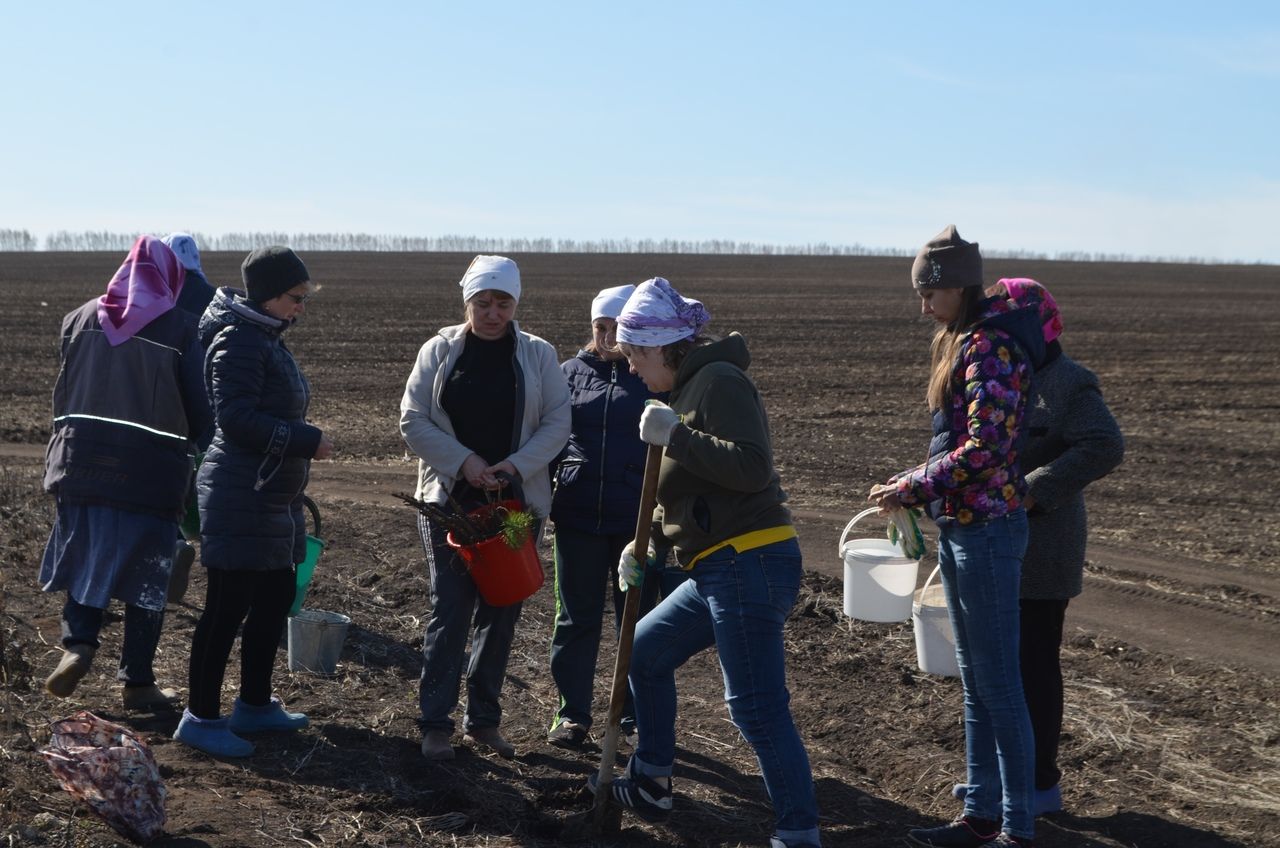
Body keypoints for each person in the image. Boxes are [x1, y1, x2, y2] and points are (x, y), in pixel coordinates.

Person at [590, 277, 821, 848]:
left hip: (750, 560)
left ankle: (798, 833)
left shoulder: (718, 380)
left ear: (657, 348)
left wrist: (678, 437)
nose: (634, 373)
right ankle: (651, 779)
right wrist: (645, 548)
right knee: (643, 651)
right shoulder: (684, 391)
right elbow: (695, 499)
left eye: (635, 360)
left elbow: (751, 469)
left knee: (755, 708)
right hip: (717, 565)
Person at [869, 226, 1043, 848]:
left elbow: (985, 447)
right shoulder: (964, 341)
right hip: (965, 525)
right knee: (975, 679)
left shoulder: (991, 346)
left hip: (990, 530)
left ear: (955, 285)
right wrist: (915, 482)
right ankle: (979, 813)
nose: (922, 305)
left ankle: (1017, 827)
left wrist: (913, 486)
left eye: (928, 291)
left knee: (997, 682)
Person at [948, 278, 1123, 817]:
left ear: (1039, 325)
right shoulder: (1005, 371)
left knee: (1031, 664)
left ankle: (1041, 785)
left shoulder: (1068, 383)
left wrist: (1034, 489)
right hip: (995, 540)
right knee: (995, 670)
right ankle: (1001, 780)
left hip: (1044, 549)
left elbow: (1105, 445)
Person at [400, 255, 570, 762]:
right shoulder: (440, 350)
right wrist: (467, 462)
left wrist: (514, 466)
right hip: (451, 505)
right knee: (450, 610)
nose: (492, 313)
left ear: (516, 304)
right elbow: (412, 419)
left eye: (502, 303)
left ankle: (484, 720)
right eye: (482, 302)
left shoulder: (538, 355)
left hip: (514, 507)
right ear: (467, 302)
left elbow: (558, 422)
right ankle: (435, 724)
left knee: (501, 610)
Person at [40, 235, 213, 712]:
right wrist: (199, 446)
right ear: (170, 278)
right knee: (149, 573)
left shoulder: (76, 319)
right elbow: (200, 409)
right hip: (150, 470)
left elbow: (65, 388)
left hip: (78, 462)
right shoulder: (180, 328)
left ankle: (78, 644)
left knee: (85, 552)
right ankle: (137, 681)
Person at [174, 245, 332, 757]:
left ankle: (255, 705)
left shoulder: (264, 336)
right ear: (266, 294)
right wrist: (305, 440)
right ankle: (200, 718)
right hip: (240, 495)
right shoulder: (238, 341)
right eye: (294, 297)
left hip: (272, 496)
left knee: (273, 599)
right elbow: (236, 420)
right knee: (225, 608)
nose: (300, 308)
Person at [546, 284, 685, 750]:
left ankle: (631, 716)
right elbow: (549, 436)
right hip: (578, 512)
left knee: (639, 617)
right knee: (575, 617)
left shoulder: (649, 374)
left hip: (638, 516)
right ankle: (572, 714)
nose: (607, 338)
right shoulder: (567, 373)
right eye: (599, 328)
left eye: (616, 329)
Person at [160, 231, 216, 602]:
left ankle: (174, 543)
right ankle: (218, 557)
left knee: (164, 486)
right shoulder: (215, 299)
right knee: (210, 486)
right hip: (211, 407)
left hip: (167, 406)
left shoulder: (161, 299)